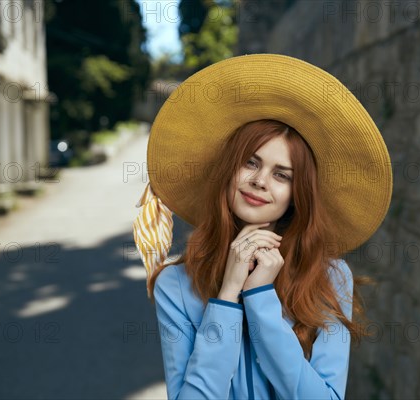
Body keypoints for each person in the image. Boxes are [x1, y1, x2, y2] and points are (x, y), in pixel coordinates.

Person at [133, 54, 393, 400]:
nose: (259, 181)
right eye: (250, 163)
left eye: (281, 174)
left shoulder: (331, 277)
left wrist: (259, 298)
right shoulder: (175, 285)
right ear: (228, 170)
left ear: (296, 195)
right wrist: (227, 295)